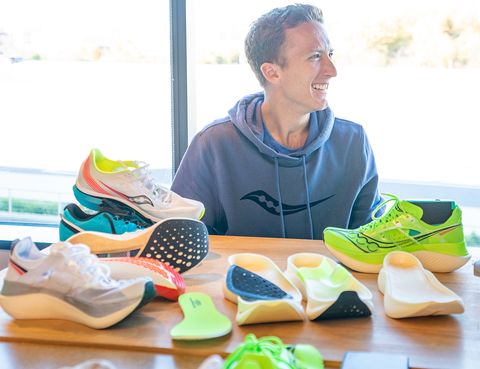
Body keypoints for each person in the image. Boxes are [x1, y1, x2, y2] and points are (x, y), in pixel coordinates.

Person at [171, 3, 382, 239]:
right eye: (315, 57)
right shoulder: (214, 145)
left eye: (329, 55)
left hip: (328, 277)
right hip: (237, 275)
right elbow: (180, 239)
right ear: (272, 73)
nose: (332, 70)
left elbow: (370, 240)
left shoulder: (353, 142)